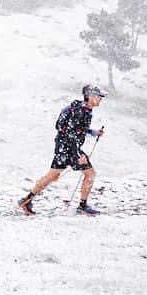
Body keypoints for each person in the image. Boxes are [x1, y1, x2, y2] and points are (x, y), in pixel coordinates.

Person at [19, 85, 108, 216]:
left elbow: (76, 128)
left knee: (52, 175)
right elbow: (71, 133)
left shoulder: (82, 109)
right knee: (90, 174)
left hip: (63, 148)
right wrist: (78, 155)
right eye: (99, 96)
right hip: (70, 148)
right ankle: (82, 206)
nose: (101, 99)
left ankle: (26, 200)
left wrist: (93, 132)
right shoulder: (80, 111)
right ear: (90, 96)